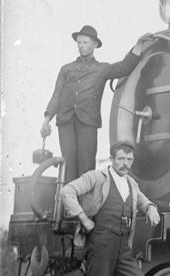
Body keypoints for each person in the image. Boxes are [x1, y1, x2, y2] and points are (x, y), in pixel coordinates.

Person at [59, 140, 161, 276]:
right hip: (100, 241)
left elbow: (143, 202)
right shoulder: (97, 177)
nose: (125, 163)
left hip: (123, 245)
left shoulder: (132, 184)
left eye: (129, 159)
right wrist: (84, 218)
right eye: (121, 159)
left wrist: (151, 207)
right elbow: (67, 192)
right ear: (113, 159)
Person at [40, 25, 153, 183]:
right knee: (68, 166)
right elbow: (56, 95)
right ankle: (68, 206)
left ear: (94, 45)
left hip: (88, 122)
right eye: (79, 42)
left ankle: (85, 206)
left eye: (86, 42)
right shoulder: (66, 69)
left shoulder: (102, 69)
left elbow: (124, 67)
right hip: (65, 121)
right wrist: (46, 120)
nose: (82, 46)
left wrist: (139, 45)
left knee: (86, 166)